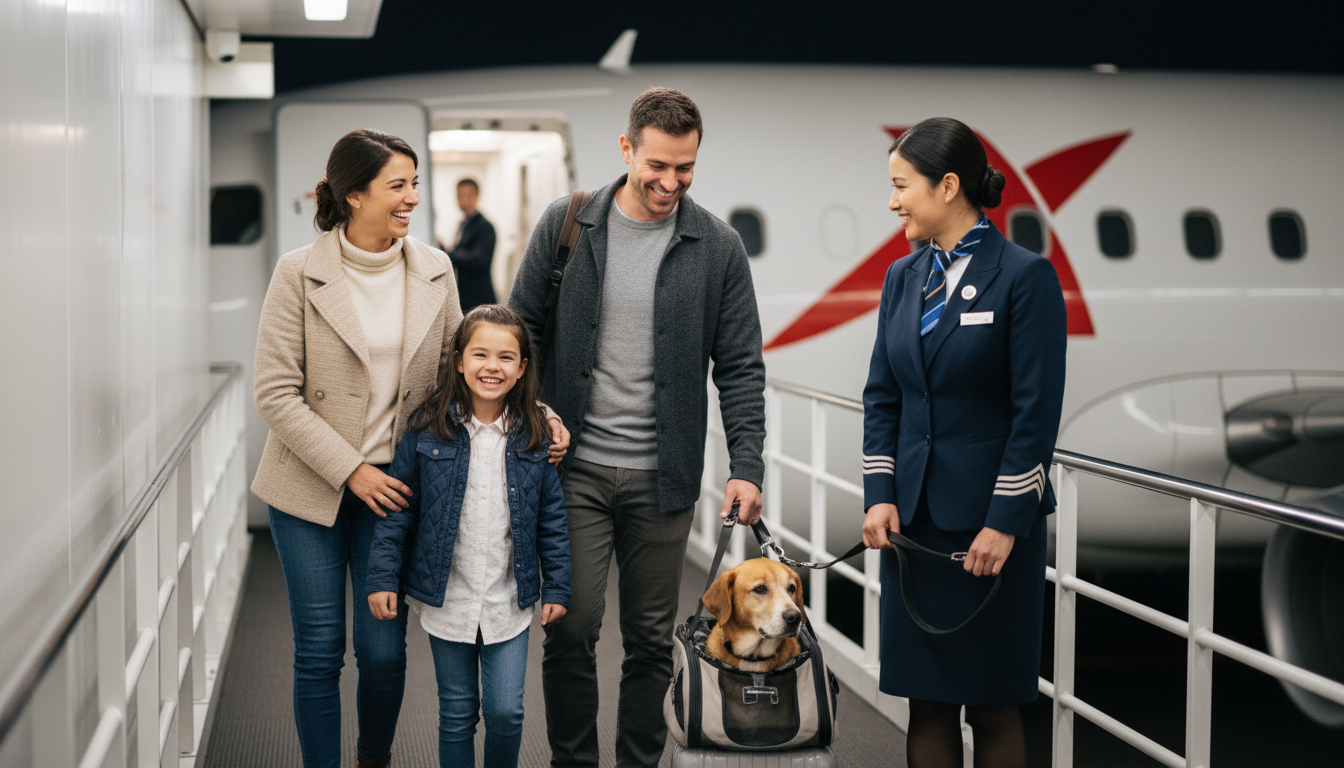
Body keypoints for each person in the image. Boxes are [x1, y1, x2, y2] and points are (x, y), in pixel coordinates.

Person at [251, 129, 570, 768]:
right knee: (319, 650)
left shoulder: (433, 268)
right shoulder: (298, 272)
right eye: (398, 186)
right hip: (310, 486)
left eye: (414, 185)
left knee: (381, 651)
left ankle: (374, 758)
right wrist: (350, 471)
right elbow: (275, 393)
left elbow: (468, 365)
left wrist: (537, 411)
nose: (412, 200)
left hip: (395, 490)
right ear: (353, 195)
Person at [508, 87, 767, 768]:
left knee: (652, 640)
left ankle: (637, 762)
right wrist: (534, 409)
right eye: (657, 165)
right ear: (626, 149)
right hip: (575, 470)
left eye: (685, 168)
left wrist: (747, 466)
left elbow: (740, 366)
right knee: (572, 628)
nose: (669, 182)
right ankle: (574, 761)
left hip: (665, 477)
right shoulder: (567, 226)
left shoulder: (717, 246)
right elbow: (519, 332)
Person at [859, 117, 1066, 768]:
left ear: (948, 186)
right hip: (915, 527)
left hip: (989, 531)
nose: (893, 202)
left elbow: (1036, 413)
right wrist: (879, 495)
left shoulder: (1024, 278)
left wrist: (1006, 522)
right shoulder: (903, 277)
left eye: (902, 186)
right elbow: (883, 395)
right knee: (926, 701)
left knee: (994, 703)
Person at [366, 304, 572, 768]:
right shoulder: (425, 429)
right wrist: (382, 578)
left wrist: (557, 586)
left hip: (508, 600)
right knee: (456, 713)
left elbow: (552, 521)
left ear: (522, 369)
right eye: (480, 354)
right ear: (459, 360)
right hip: (449, 599)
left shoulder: (535, 435)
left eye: (505, 358)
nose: (492, 367)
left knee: (506, 712)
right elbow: (398, 511)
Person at [445, 178, 498, 311]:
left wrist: (450, 255)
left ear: (476, 196)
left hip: (480, 298)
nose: (464, 200)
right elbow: (460, 254)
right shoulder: (463, 224)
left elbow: (479, 260)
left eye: (468, 195)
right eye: (460, 196)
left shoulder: (485, 226)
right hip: (464, 296)